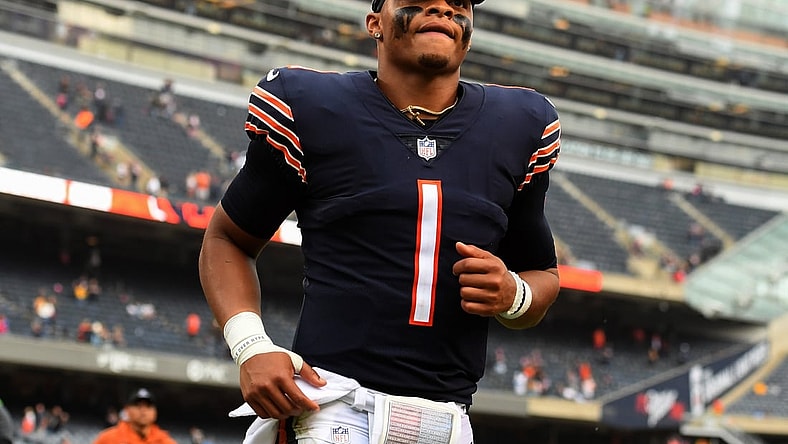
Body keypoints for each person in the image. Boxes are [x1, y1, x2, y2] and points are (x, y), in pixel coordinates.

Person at [198, 0, 562, 442]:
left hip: (448, 422)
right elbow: (228, 239)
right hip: (332, 409)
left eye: (458, 3)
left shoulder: (519, 126)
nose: (443, 9)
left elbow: (542, 275)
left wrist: (514, 295)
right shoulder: (313, 106)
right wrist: (250, 345)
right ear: (376, 23)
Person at [92, 388, 176, 444]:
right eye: (138, 406)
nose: (143, 410)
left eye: (148, 406)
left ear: (155, 412)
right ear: (127, 410)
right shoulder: (109, 439)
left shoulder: (165, 441)